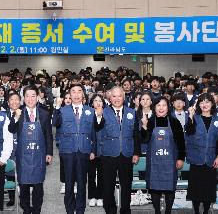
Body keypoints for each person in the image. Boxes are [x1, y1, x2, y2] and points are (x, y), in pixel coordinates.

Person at [94, 86, 140, 214]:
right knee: (108, 186)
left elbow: (136, 134)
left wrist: (136, 152)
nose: (117, 98)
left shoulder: (132, 112)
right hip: (108, 154)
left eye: (120, 96)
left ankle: (126, 210)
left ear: (124, 97)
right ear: (110, 98)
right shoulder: (103, 112)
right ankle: (110, 210)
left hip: (127, 154)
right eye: (114, 96)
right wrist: (98, 116)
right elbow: (97, 128)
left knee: (126, 185)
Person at [9, 85, 53, 214]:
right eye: (27, 96)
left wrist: (49, 152)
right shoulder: (19, 112)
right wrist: (16, 117)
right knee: (23, 186)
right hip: (23, 156)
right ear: (23, 98)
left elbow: (48, 135)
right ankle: (26, 210)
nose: (30, 98)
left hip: (39, 155)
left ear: (38, 97)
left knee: (38, 186)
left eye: (33, 95)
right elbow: (11, 129)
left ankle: (37, 210)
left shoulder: (44, 113)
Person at [53, 84, 96, 214]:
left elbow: (93, 132)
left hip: (84, 150)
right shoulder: (62, 110)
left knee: (82, 183)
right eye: (73, 92)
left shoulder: (90, 110)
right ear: (69, 95)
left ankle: (80, 209)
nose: (76, 94)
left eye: (79, 91)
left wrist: (93, 150)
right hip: (68, 151)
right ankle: (70, 210)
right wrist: (56, 106)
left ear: (83, 94)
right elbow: (55, 123)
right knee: (69, 183)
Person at [140, 97, 185, 214]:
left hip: (170, 162)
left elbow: (181, 142)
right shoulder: (149, 121)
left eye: (164, 105)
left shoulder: (174, 122)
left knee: (169, 189)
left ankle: (168, 211)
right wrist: (144, 127)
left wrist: (181, 158)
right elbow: (144, 140)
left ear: (168, 107)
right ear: (154, 107)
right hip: (154, 163)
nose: (161, 108)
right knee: (155, 189)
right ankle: (157, 211)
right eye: (158, 105)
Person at [185, 93, 218, 214]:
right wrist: (191, 116)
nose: (204, 104)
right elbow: (189, 132)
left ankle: (206, 211)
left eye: (207, 102)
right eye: (202, 102)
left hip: (211, 159)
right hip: (196, 159)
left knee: (208, 189)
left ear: (212, 104)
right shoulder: (194, 118)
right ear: (198, 104)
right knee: (196, 189)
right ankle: (196, 211)